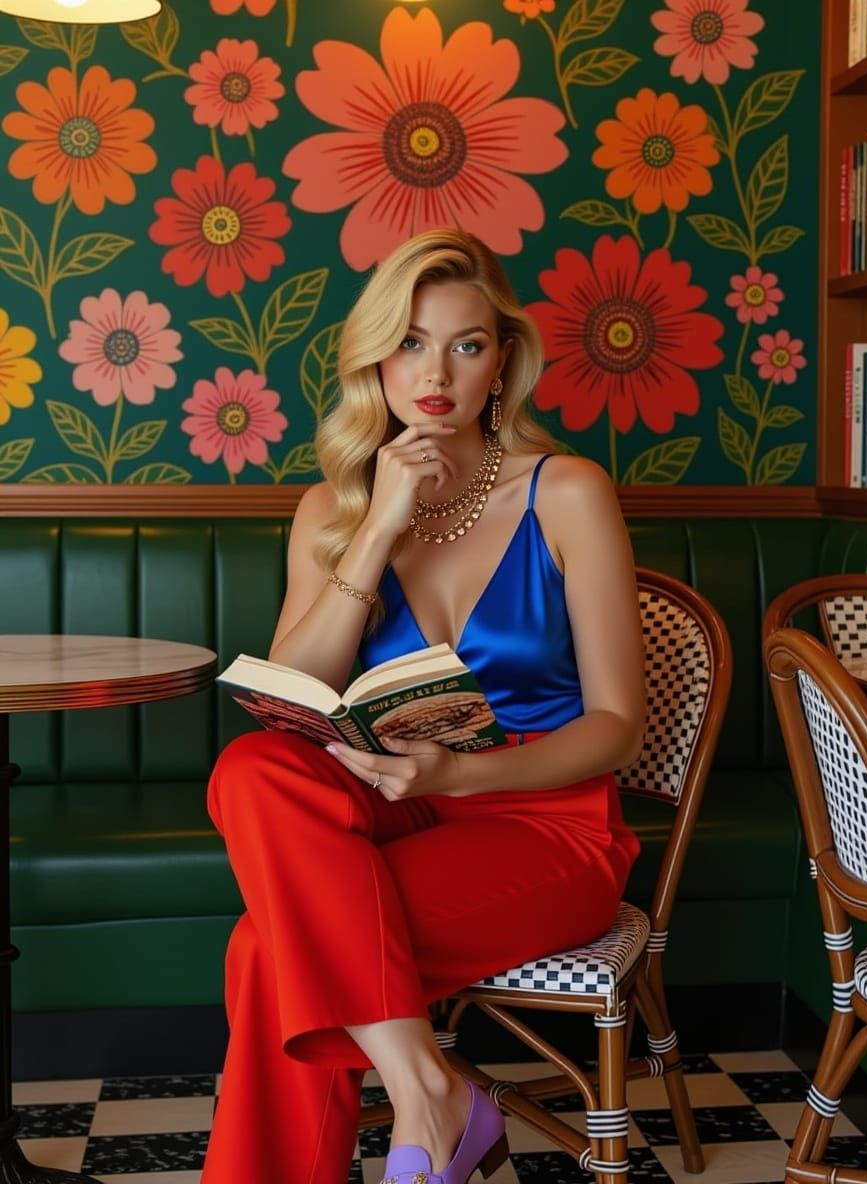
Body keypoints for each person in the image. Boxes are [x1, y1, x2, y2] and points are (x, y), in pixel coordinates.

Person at [201, 228, 645, 1184]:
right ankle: (430, 1090)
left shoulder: (566, 492)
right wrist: (377, 529)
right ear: (376, 357)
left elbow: (618, 725)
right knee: (251, 768)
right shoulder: (332, 505)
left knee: (266, 951)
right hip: (389, 805)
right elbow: (292, 691)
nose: (435, 371)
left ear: (504, 360)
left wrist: (462, 770)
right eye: (410, 341)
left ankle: (424, 1105)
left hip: (544, 826)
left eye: (466, 344)